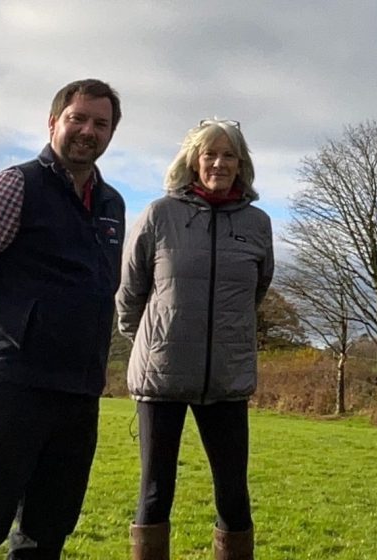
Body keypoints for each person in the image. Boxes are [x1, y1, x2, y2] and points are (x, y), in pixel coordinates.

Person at [0, 78, 125, 559]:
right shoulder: (15, 185)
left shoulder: (112, 204)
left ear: (111, 133)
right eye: (77, 119)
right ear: (53, 122)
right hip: (10, 385)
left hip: (78, 390)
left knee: (47, 531)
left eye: (100, 123)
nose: (87, 131)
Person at [117, 118, 273, 560]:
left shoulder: (258, 224)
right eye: (210, 154)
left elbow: (255, 291)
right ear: (193, 160)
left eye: (228, 155)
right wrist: (153, 342)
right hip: (160, 376)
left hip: (226, 379)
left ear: (241, 165)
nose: (219, 163)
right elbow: (130, 294)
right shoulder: (159, 215)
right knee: (154, 491)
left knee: (233, 496)